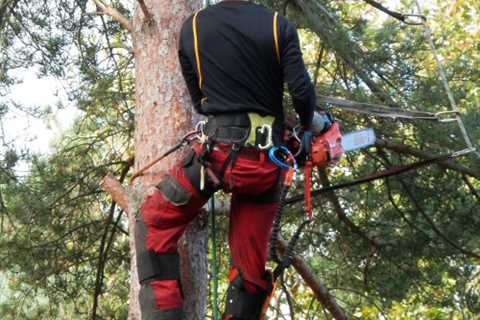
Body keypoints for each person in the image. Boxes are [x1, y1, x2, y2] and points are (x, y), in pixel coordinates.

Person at [137, 0, 316, 319]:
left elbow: (199, 101)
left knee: (153, 223)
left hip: (216, 159)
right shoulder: (278, 26)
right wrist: (304, 127)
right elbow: (301, 92)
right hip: (266, 168)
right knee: (249, 267)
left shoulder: (192, 27)